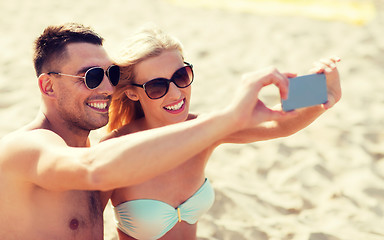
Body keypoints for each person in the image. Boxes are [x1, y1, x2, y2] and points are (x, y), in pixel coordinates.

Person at [0, 22, 299, 240]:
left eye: (111, 75)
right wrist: (228, 117)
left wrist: (323, 89)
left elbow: (282, 122)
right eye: (90, 77)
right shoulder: (26, 147)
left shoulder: (89, 151)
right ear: (47, 86)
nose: (107, 88)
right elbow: (94, 171)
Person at [102, 26, 341, 240]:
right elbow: (84, 226)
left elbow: (279, 123)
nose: (176, 94)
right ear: (132, 93)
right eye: (157, 85)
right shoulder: (112, 150)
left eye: (181, 76)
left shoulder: (203, 130)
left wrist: (322, 89)